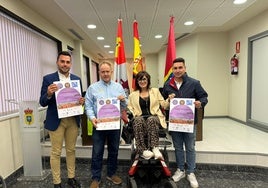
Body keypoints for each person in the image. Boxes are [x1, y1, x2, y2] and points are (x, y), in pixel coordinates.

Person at [39, 51, 85, 188]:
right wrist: (48, 93)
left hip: (72, 120)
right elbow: (42, 102)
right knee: (56, 152)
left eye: (68, 62)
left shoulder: (76, 80)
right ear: (57, 62)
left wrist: (81, 101)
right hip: (56, 121)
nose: (65, 64)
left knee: (71, 150)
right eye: (62, 61)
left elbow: (79, 99)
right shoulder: (48, 79)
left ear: (71, 64)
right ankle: (56, 182)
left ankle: (71, 177)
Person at [162, 57, 208, 188]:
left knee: (190, 147)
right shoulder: (167, 85)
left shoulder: (194, 83)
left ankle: (191, 172)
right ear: (172, 69)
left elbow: (204, 97)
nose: (177, 70)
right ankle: (180, 170)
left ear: (185, 68)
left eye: (180, 67)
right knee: (177, 147)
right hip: (175, 122)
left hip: (189, 122)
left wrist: (201, 103)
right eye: (175, 68)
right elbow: (164, 102)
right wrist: (168, 100)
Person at [84, 61, 127, 188]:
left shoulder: (118, 87)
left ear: (111, 72)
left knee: (114, 150)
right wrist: (92, 118)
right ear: (99, 73)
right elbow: (88, 106)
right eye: (103, 71)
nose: (105, 74)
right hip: (99, 125)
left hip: (114, 126)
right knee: (97, 152)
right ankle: (96, 178)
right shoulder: (92, 88)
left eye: (107, 71)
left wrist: (123, 100)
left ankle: (111, 173)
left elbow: (124, 106)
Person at [127, 71, 173, 160]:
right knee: (138, 120)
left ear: (148, 80)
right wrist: (133, 114)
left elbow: (164, 105)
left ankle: (154, 148)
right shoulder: (132, 95)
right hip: (140, 120)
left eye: (144, 79)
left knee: (151, 119)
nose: (142, 81)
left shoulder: (155, 91)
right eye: (139, 80)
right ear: (137, 81)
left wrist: (169, 100)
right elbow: (130, 108)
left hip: (154, 118)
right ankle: (142, 150)